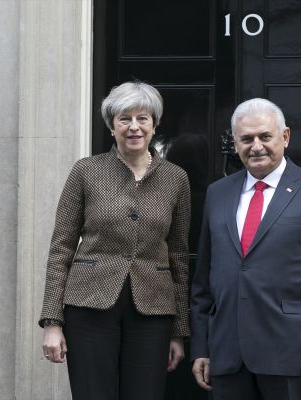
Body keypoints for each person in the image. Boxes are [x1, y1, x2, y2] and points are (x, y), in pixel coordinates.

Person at [39, 81, 190, 400]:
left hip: (153, 309)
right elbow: (61, 249)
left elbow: (178, 256)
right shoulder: (85, 172)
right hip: (89, 306)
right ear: (111, 126)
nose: (134, 126)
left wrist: (179, 331)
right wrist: (52, 322)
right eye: (124, 119)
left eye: (142, 118)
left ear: (154, 124)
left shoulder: (176, 179)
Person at [190, 98, 301, 400]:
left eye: (265, 136)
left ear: (285, 137)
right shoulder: (218, 193)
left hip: (292, 354)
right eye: (246, 139)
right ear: (235, 144)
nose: (256, 146)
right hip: (227, 354)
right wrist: (202, 347)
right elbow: (203, 280)